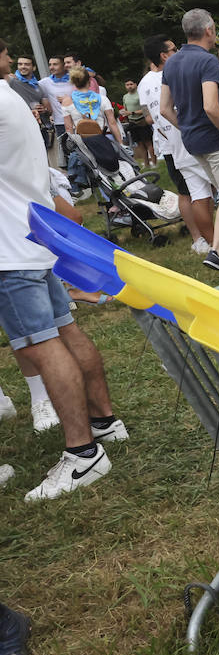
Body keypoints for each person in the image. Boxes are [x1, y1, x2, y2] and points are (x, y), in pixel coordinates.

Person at [0, 37, 127, 502]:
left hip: (10, 249)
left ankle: (82, 452)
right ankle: (104, 423)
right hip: (29, 236)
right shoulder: (11, 94)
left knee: (41, 345)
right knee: (66, 331)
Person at [161, 9, 219, 275]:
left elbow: (165, 109)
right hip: (215, 139)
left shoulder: (172, 62)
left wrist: (187, 127)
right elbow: (212, 107)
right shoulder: (207, 61)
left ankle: (217, 251)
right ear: (209, 30)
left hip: (192, 141)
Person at [141, 35, 212, 253]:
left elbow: (149, 118)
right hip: (186, 141)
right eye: (173, 49)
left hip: (168, 145)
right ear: (164, 55)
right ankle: (206, 239)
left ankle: (201, 239)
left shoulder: (144, 83)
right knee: (200, 193)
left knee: (188, 192)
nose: (179, 52)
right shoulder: (178, 71)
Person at [61, 66, 123, 145]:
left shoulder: (66, 102)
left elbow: (69, 128)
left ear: (73, 82)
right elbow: (112, 123)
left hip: (83, 142)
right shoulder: (102, 99)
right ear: (90, 81)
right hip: (104, 138)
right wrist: (121, 143)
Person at [122, 78, 156, 168]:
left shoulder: (140, 95)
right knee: (139, 144)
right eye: (127, 85)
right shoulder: (125, 97)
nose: (129, 86)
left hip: (142, 121)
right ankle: (146, 164)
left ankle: (154, 162)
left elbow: (145, 109)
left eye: (131, 84)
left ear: (135, 85)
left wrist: (132, 113)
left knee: (148, 143)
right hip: (132, 123)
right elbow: (125, 109)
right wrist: (124, 114)